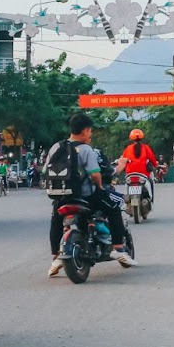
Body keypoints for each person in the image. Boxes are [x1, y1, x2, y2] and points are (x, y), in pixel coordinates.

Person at [43, 113, 135, 275]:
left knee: (56, 220)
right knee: (114, 208)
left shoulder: (56, 147)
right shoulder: (86, 149)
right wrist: (99, 188)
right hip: (85, 196)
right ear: (85, 131)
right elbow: (95, 174)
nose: (90, 134)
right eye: (90, 131)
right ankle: (118, 248)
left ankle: (55, 256)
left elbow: (45, 171)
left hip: (61, 196)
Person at [117, 128, 159, 205]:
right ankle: (151, 199)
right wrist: (156, 165)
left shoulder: (128, 148)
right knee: (151, 181)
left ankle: (128, 200)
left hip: (130, 174)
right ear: (142, 138)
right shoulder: (146, 147)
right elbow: (152, 158)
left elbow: (123, 160)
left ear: (131, 138)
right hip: (144, 175)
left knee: (126, 185)